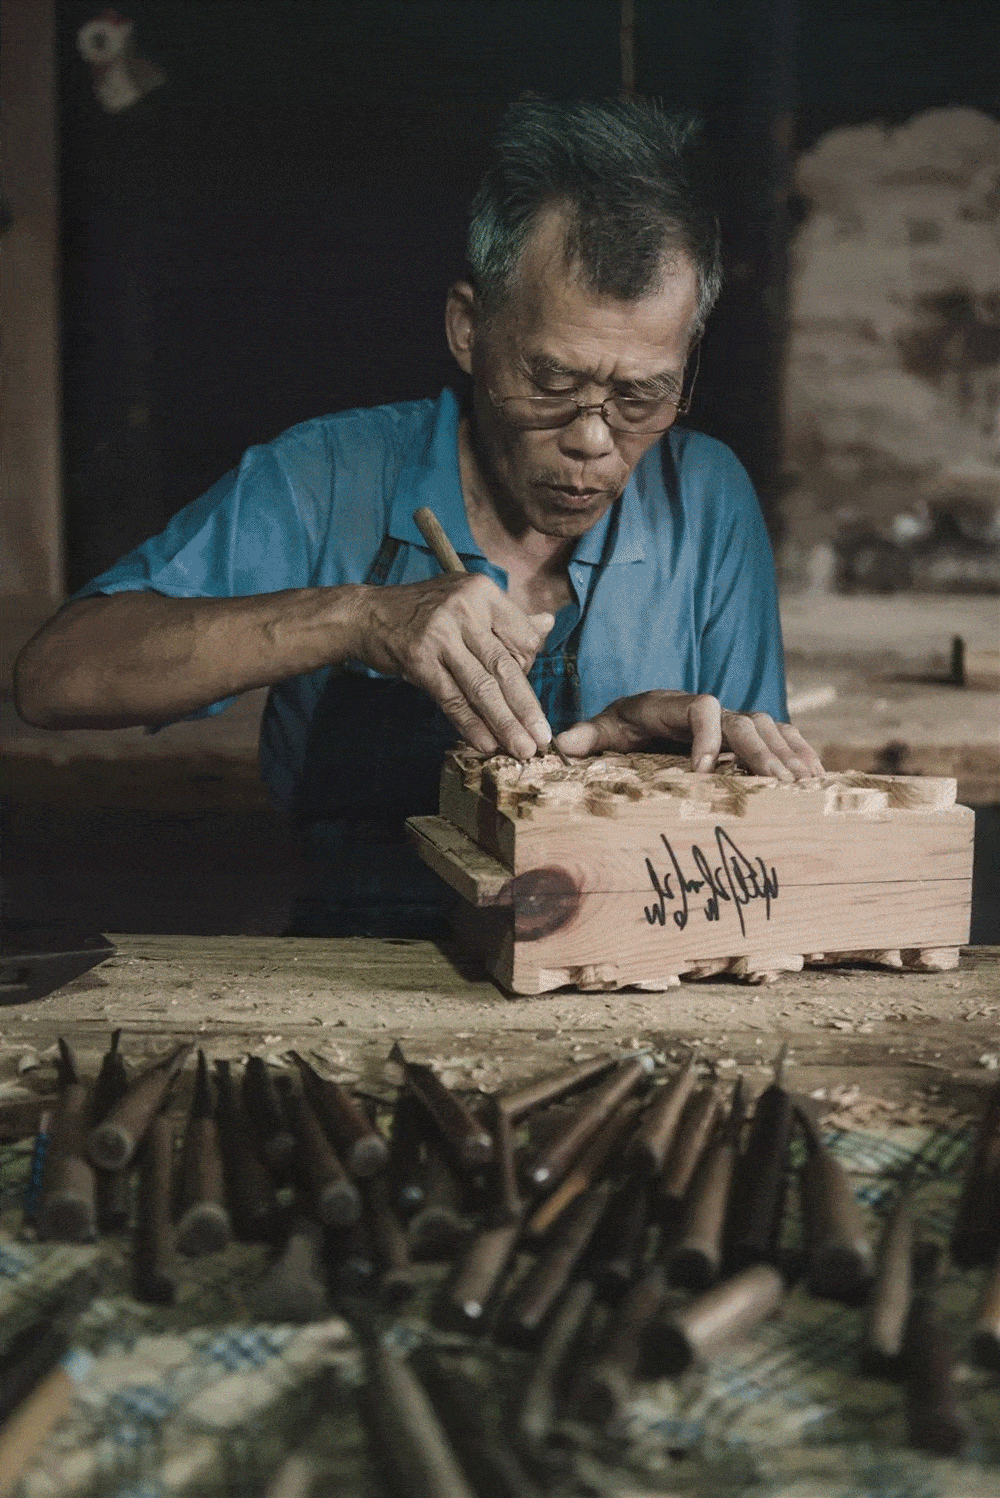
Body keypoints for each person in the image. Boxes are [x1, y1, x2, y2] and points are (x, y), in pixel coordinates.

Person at [14, 96, 823, 937]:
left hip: (619, 965)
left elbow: (754, 852)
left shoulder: (708, 498)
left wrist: (654, 770)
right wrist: (357, 619)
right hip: (354, 962)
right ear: (469, 328)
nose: (591, 438)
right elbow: (55, 679)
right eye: (551, 382)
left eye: (640, 395)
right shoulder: (328, 475)